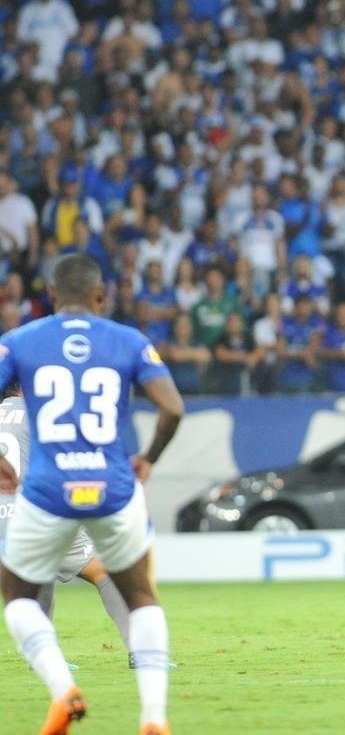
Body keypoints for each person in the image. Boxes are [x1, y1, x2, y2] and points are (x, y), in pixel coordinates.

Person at [0, 254, 183, 733]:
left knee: (19, 597)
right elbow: (172, 408)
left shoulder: (20, 341)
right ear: (101, 296)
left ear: (51, 296)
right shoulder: (129, 340)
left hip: (46, 491)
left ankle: (62, 689)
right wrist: (150, 457)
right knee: (140, 594)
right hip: (113, 486)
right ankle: (154, 715)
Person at [0, 385, 132, 664]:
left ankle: (43, 657)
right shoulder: (39, 414)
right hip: (33, 514)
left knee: (40, 575)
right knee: (104, 572)